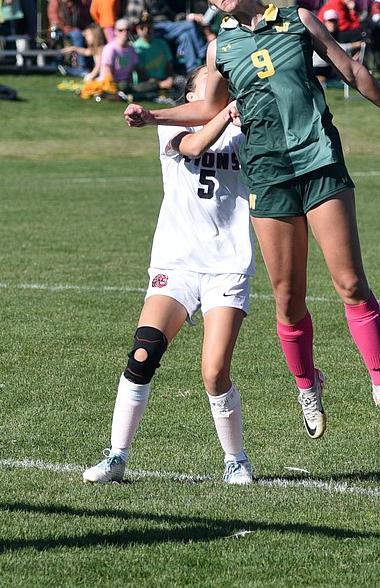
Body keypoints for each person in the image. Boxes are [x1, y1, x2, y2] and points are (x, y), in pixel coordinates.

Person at [124, 0, 380, 439]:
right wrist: (152, 117)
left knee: (349, 283)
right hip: (268, 173)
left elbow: (349, 69)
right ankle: (308, 386)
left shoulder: (299, 20)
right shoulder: (222, 49)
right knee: (287, 296)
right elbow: (206, 107)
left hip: (319, 160)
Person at [84, 66, 255, 485]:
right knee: (143, 352)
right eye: (208, 83)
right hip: (176, 262)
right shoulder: (170, 126)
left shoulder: (244, 126)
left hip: (227, 264)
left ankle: (236, 460)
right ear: (191, 94)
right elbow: (194, 147)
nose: (218, 86)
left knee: (214, 373)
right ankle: (117, 457)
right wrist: (222, 112)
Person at [123, 0, 207, 72]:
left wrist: (188, 16)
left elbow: (173, 16)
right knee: (190, 25)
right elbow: (133, 22)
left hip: (168, 26)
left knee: (186, 35)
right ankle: (204, 55)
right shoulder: (135, 0)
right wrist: (144, 17)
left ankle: (192, 69)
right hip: (153, 28)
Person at [130, 17, 181, 98]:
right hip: (147, 83)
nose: (146, 30)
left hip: (164, 79)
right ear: (137, 29)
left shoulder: (162, 43)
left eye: (149, 27)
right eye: (142, 28)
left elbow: (169, 65)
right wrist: (160, 84)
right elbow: (141, 75)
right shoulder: (136, 48)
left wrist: (169, 78)